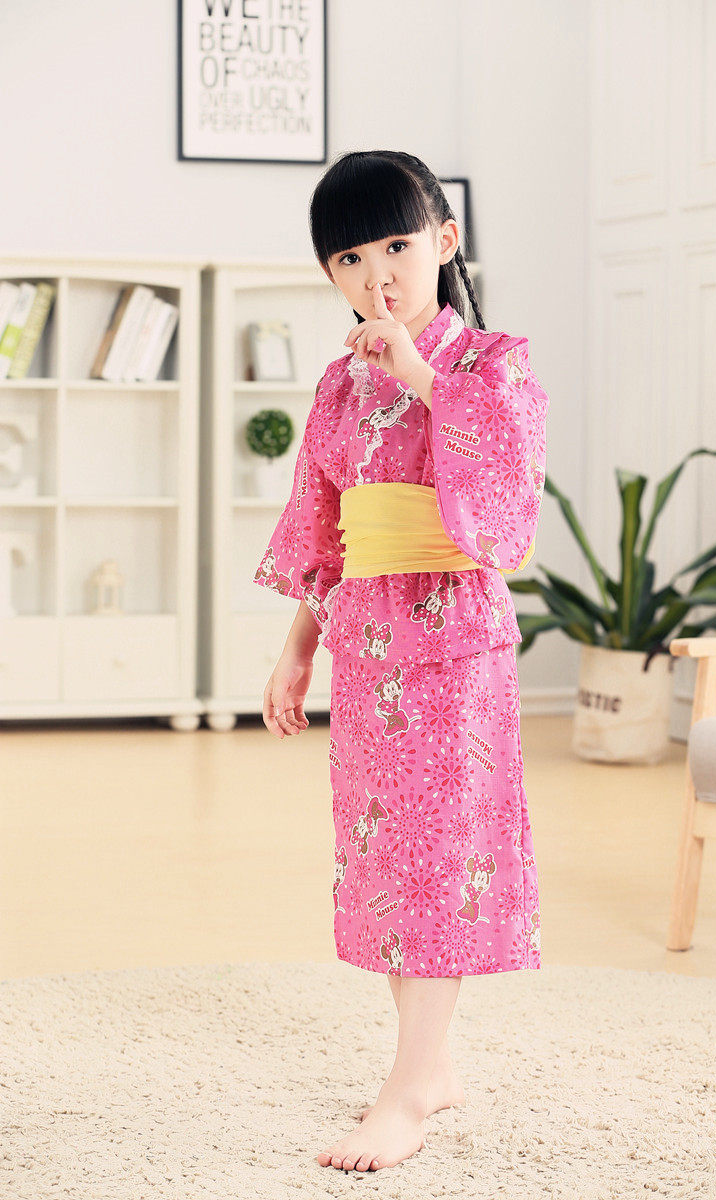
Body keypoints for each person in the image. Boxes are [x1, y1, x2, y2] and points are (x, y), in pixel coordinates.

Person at [253, 149, 550, 1173]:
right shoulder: (339, 385)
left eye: (395, 244)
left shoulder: (492, 364)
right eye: (349, 257)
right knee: (386, 857)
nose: (376, 273)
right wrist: (296, 650)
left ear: (443, 241)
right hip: (368, 644)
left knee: (439, 857)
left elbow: (506, 491)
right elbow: (323, 526)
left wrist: (419, 375)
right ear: (328, 273)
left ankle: (410, 1087)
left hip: (454, 639)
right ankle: (434, 1064)